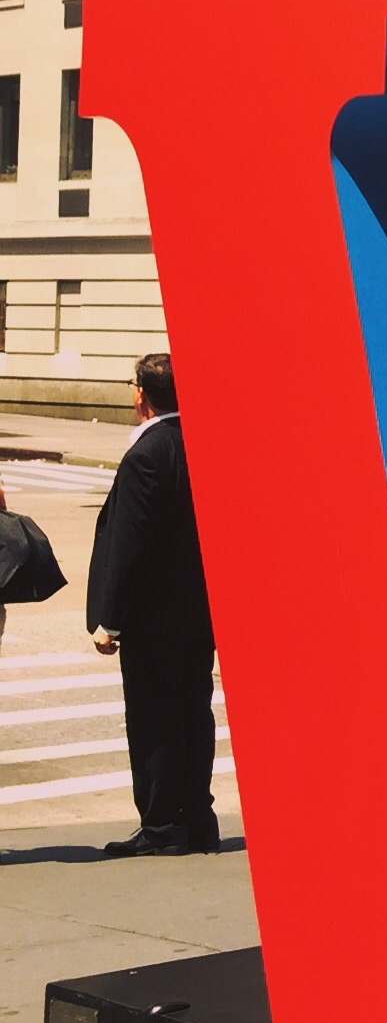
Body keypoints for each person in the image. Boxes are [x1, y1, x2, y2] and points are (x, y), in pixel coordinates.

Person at [86, 353, 218, 855]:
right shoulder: (201, 443)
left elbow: (130, 546)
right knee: (193, 713)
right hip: (197, 613)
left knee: (154, 719)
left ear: (141, 394)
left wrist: (111, 621)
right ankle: (198, 819)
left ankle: (163, 826)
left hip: (153, 618)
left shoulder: (146, 454)